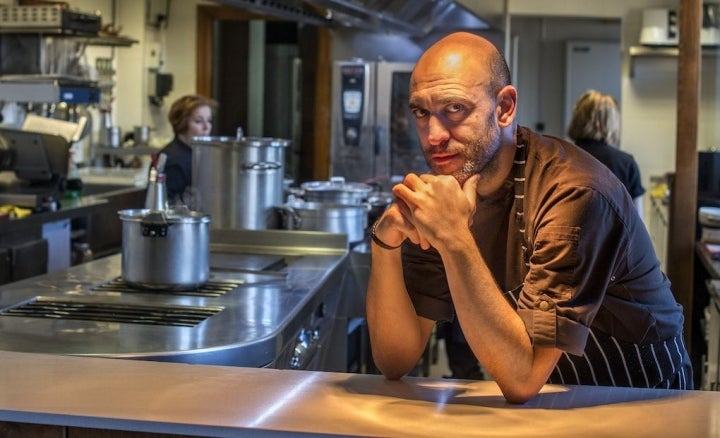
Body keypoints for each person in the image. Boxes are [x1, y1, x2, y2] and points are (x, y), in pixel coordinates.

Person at [366, 32, 692, 404]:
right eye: (422, 113)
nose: (433, 135)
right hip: (549, 396)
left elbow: (522, 378)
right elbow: (395, 360)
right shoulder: (443, 195)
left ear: (504, 108)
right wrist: (385, 242)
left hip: (641, 397)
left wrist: (454, 239)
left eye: (455, 109)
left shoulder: (574, 193)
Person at [567, 90, 645, 218]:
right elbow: (637, 222)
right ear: (612, 122)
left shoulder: (561, 156)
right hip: (612, 238)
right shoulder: (626, 164)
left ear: (578, 119)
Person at [157, 94, 217, 204]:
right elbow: (167, 208)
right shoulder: (173, 161)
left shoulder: (196, 153)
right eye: (198, 121)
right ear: (182, 124)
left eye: (209, 121)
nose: (206, 127)